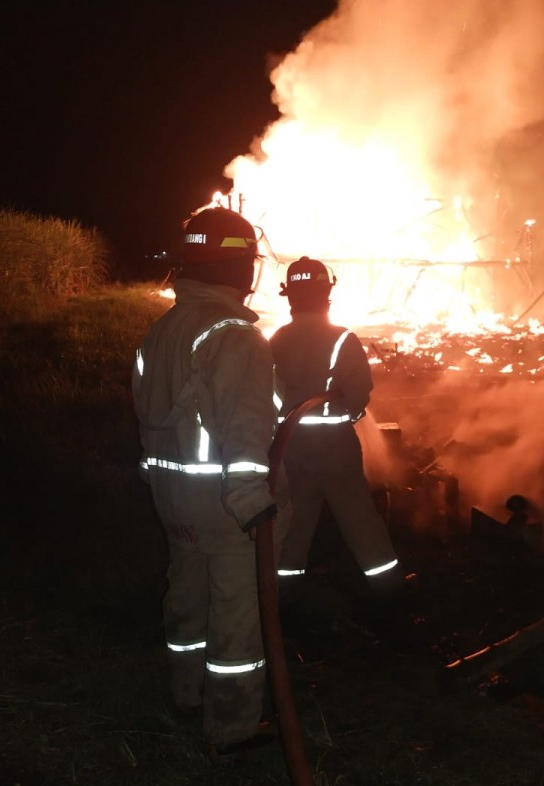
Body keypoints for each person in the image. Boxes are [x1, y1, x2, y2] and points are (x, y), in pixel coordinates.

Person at [131, 206, 278, 754]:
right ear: (240, 269)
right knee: (237, 613)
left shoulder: (161, 331)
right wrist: (252, 502)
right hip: (222, 505)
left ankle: (185, 693)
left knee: (186, 596)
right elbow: (243, 430)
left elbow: (148, 420)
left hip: (171, 497)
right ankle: (233, 727)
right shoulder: (236, 336)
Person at [269, 256, 404, 607]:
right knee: (359, 519)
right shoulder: (343, 339)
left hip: (291, 446)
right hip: (335, 447)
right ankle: (388, 591)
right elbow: (359, 395)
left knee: (294, 522)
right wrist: (344, 411)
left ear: (290, 297)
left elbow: (267, 395)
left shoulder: (276, 340)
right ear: (326, 294)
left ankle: (282, 598)